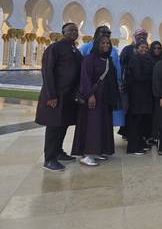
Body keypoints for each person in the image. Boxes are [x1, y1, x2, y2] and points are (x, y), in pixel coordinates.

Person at [36, 23, 83, 172]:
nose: (74, 32)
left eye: (76, 30)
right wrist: (51, 95)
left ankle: (58, 152)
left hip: (69, 96)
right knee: (54, 126)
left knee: (63, 124)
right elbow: (47, 71)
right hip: (56, 95)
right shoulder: (55, 48)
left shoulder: (75, 50)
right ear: (63, 32)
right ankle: (49, 159)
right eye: (70, 30)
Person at [71, 35, 118, 166]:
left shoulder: (107, 59)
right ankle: (88, 155)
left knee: (102, 123)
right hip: (93, 97)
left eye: (108, 43)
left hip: (105, 98)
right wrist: (90, 95)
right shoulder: (89, 59)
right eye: (103, 43)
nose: (106, 45)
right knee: (93, 124)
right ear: (97, 44)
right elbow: (85, 78)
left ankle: (98, 150)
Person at [79, 25, 124, 127]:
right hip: (94, 91)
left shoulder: (112, 50)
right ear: (96, 34)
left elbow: (116, 68)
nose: (106, 35)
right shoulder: (86, 48)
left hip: (107, 91)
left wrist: (119, 83)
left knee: (106, 119)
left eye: (108, 33)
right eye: (103, 32)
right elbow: (84, 73)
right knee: (93, 120)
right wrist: (89, 93)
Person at [119, 28, 148, 138]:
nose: (142, 37)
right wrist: (121, 82)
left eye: (144, 35)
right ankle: (127, 133)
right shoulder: (127, 49)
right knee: (129, 109)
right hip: (130, 84)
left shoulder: (146, 49)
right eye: (139, 35)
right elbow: (121, 66)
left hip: (143, 88)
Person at [126, 40, 154, 155]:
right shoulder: (135, 60)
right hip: (137, 95)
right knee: (135, 121)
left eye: (146, 48)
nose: (144, 50)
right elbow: (138, 77)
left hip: (144, 95)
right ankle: (133, 147)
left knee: (141, 121)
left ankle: (140, 142)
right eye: (142, 47)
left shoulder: (146, 59)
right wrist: (152, 77)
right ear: (136, 48)